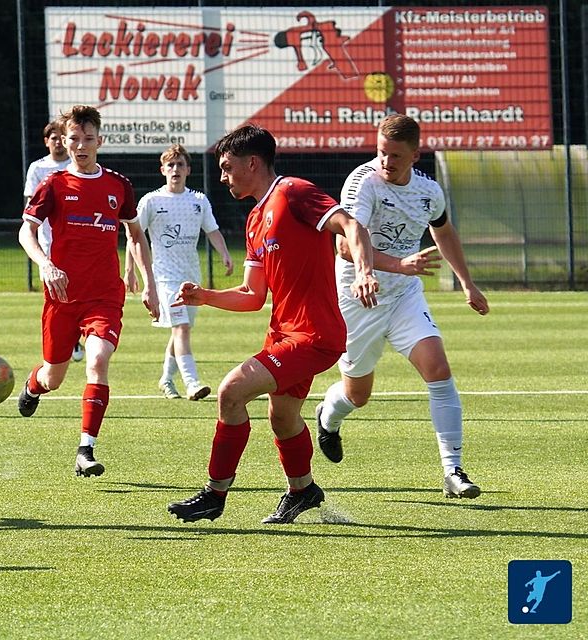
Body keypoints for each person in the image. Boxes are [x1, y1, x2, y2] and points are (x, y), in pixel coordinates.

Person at [166, 124, 379, 525]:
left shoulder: (293, 192)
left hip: (314, 335)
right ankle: (303, 491)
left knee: (231, 392)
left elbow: (352, 226)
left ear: (252, 163)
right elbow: (252, 294)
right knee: (282, 417)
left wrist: (365, 271)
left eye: (227, 167)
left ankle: (214, 494)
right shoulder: (254, 219)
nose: (223, 176)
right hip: (283, 332)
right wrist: (204, 295)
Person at [315, 114, 489, 499]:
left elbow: (443, 231)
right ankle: (327, 416)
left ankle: (453, 470)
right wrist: (379, 269)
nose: (386, 161)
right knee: (358, 395)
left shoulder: (428, 191)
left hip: (404, 296)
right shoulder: (362, 182)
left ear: (415, 155)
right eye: (381, 152)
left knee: (438, 369)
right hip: (359, 298)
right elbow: (345, 244)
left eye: (395, 155)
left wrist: (467, 282)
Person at [18, 104, 160, 478]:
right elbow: (26, 231)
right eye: (74, 139)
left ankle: (86, 449)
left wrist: (149, 283)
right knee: (53, 377)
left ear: (100, 140)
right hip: (62, 297)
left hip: (104, 297)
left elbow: (135, 234)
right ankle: (33, 385)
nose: (81, 146)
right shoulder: (54, 185)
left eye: (88, 138)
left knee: (97, 361)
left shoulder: (118, 185)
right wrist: (45, 264)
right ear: (64, 142)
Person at [123, 144, 234, 401]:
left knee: (179, 330)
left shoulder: (198, 201)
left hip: (190, 277)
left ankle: (166, 379)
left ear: (188, 170)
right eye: (170, 165)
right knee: (181, 327)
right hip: (164, 278)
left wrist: (225, 253)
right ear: (162, 170)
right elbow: (134, 236)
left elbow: (212, 230)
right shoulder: (151, 200)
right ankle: (192, 383)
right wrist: (130, 270)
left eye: (180, 165)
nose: (175, 169)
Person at [23, 121, 83, 362]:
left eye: (61, 137)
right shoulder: (38, 168)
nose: (58, 142)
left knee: (78, 290)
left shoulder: (75, 165)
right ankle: (64, 342)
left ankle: (74, 338)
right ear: (46, 141)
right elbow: (31, 205)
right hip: (47, 242)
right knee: (55, 294)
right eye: (53, 138)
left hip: (75, 240)